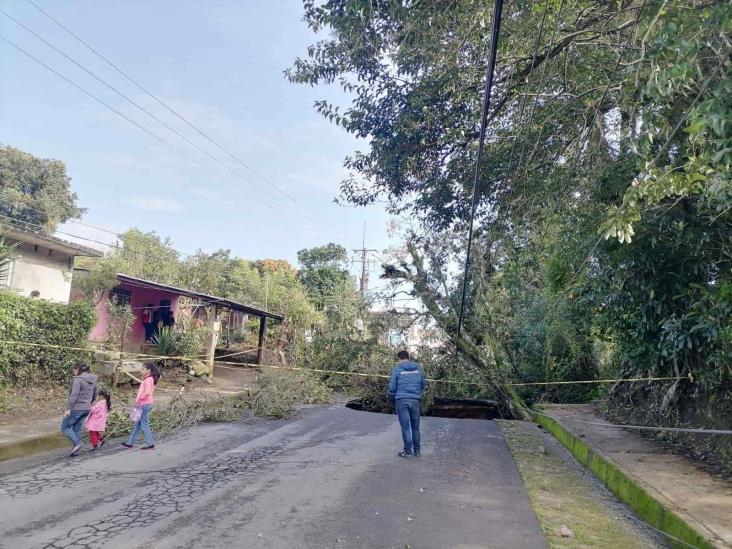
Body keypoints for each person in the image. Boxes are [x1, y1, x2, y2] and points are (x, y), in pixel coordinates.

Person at [388, 350, 426, 458]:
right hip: (415, 400)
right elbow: (423, 383)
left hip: (402, 400)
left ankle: (408, 450)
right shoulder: (418, 367)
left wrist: (392, 393)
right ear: (408, 357)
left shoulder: (397, 369)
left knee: (405, 427)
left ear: (399, 359)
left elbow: (392, 387)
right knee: (416, 427)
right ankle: (417, 451)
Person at [61, 363, 98, 457]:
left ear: (77, 369)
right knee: (77, 428)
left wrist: (68, 408)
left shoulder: (78, 380)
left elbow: (74, 395)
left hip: (76, 408)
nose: (74, 373)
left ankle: (78, 443)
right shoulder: (93, 379)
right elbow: (95, 393)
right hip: (87, 408)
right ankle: (76, 450)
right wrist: (89, 403)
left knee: (65, 427)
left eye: (74, 370)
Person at [122, 362, 159, 450]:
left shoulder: (149, 380)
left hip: (145, 404)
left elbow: (147, 392)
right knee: (138, 425)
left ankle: (150, 443)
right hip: (143, 404)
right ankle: (130, 443)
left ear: (148, 370)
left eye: (143, 369)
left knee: (144, 424)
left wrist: (139, 399)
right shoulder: (148, 379)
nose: (141, 371)